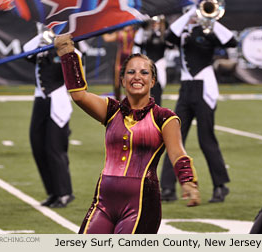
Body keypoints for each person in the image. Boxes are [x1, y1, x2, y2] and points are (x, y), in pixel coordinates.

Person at [54, 33, 200, 234]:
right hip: (103, 202)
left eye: (144, 72)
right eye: (130, 72)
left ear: (153, 81)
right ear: (122, 80)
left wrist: (188, 181)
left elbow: (177, 153)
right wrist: (67, 54)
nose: (137, 77)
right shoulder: (111, 110)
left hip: (141, 204)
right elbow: (79, 96)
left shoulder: (164, 117)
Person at [160, 5, 237, 203]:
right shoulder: (182, 33)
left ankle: (220, 186)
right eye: (192, 13)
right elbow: (169, 35)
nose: (195, 16)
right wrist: (187, 15)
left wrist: (210, 19)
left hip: (205, 87)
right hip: (186, 89)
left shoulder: (210, 32)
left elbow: (231, 41)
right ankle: (167, 188)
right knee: (174, 138)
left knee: (206, 139)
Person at [23, 24, 75, 208]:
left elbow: (76, 60)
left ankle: (65, 192)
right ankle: (53, 192)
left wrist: (61, 40)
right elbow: (25, 51)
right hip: (40, 101)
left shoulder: (66, 49)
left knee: (55, 148)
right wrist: (42, 36)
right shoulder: (40, 48)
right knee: (38, 147)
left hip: (57, 102)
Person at [133, 16, 170, 106]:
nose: (154, 25)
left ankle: (157, 107)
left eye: (156, 23)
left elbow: (170, 46)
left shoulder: (164, 34)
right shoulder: (145, 33)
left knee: (160, 84)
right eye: (152, 23)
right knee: (145, 85)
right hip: (147, 62)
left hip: (160, 61)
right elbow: (137, 44)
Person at [103, 25, 135, 101]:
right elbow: (107, 38)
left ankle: (129, 104)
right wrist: (102, 29)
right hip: (119, 62)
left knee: (129, 84)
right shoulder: (120, 33)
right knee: (117, 85)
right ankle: (118, 103)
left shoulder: (134, 33)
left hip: (130, 62)